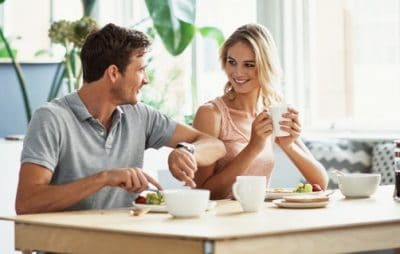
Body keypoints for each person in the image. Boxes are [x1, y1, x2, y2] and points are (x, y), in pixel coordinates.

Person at [15, 23, 225, 214]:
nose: (147, 80)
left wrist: (187, 151)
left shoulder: (140, 115)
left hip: (125, 241)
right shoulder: (51, 119)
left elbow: (214, 145)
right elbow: (27, 202)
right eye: (141, 69)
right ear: (114, 73)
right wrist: (105, 178)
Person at [192, 23, 328, 199]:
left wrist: (289, 145)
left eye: (249, 65)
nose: (237, 73)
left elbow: (321, 182)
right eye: (232, 62)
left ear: (266, 66)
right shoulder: (211, 114)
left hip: (261, 220)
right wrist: (253, 148)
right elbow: (203, 194)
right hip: (222, 223)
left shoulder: (271, 111)